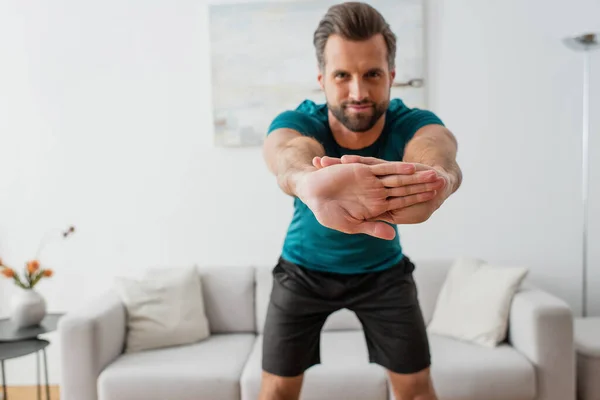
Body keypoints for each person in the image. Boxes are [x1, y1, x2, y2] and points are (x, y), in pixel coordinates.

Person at [260, 2, 462, 400]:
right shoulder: (303, 122)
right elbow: (286, 153)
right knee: (278, 390)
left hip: (384, 273)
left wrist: (439, 180)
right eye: (342, 76)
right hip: (302, 271)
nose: (358, 92)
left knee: (416, 388)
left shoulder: (412, 123)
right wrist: (305, 180)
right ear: (322, 79)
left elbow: (436, 148)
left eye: (372, 74)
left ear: (391, 76)